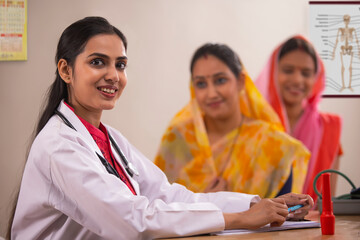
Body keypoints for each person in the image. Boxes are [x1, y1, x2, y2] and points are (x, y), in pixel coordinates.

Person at [9, 17, 313, 240]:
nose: (113, 75)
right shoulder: (58, 145)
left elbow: (168, 196)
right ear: (66, 70)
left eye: (121, 64)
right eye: (98, 62)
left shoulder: (110, 139)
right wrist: (237, 218)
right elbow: (131, 221)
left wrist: (257, 204)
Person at [154, 43, 310, 198]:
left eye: (220, 80)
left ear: (241, 81)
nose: (211, 93)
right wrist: (201, 205)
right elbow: (156, 207)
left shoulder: (274, 146)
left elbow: (284, 213)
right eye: (201, 84)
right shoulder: (177, 140)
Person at [255, 35, 342, 201]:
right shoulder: (253, 126)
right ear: (273, 73)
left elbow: (327, 203)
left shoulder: (329, 130)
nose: (297, 80)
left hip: (312, 224)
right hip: (257, 224)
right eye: (288, 70)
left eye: (306, 73)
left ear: (316, 78)